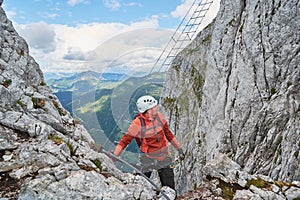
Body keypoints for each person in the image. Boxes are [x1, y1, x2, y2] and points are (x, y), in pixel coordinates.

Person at [113, 95, 185, 190]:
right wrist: (114, 156)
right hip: (148, 158)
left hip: (164, 156)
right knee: (139, 186)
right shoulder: (137, 124)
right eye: (154, 106)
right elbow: (125, 141)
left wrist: (179, 149)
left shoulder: (160, 117)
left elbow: (169, 134)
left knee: (170, 189)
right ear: (148, 110)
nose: (157, 107)